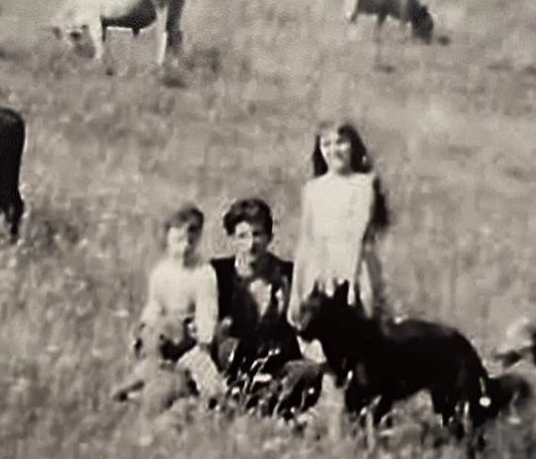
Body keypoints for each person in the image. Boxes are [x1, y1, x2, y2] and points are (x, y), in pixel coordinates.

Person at [287, 121, 392, 435]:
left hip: (354, 269)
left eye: (341, 142)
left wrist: (350, 280)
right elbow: (306, 239)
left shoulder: (363, 183)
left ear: (354, 146)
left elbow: (359, 232)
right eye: (327, 144)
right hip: (320, 271)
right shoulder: (314, 189)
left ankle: (373, 416)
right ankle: (330, 414)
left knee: (364, 341)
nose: (335, 150)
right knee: (325, 344)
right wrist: (298, 287)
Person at [112, 203, 226, 407]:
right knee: (150, 355)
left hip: (191, 336)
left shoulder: (203, 273)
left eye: (191, 242)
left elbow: (206, 310)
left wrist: (204, 342)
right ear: (167, 239)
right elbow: (154, 305)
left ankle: (213, 401)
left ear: (198, 240)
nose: (184, 247)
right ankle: (135, 391)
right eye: (178, 240)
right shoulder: (161, 273)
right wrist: (145, 327)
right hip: (165, 333)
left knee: (206, 375)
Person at [210, 198, 301, 383]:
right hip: (229, 366)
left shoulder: (288, 275)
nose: (251, 244)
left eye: (257, 234)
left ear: (269, 237)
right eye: (243, 236)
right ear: (232, 238)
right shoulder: (217, 275)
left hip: (278, 365)